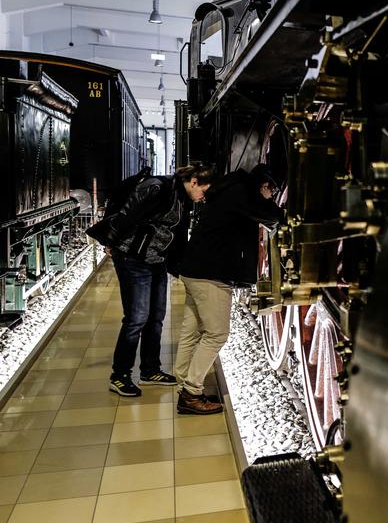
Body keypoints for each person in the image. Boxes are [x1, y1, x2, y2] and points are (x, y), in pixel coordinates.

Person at [89, 164, 214, 397]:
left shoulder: (182, 197)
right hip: (133, 257)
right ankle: (120, 375)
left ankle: (150, 369)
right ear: (194, 181)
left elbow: (177, 235)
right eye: (203, 191)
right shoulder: (157, 187)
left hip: (156, 260)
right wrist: (111, 242)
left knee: (156, 316)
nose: (203, 197)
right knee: (136, 317)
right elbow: (127, 215)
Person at [174, 164, 283, 414]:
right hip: (211, 274)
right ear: (263, 185)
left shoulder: (229, 189)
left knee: (192, 330)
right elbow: (272, 215)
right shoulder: (242, 193)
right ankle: (191, 393)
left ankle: (184, 381)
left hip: (194, 269)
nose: (271, 194)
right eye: (270, 190)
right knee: (217, 334)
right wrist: (273, 207)